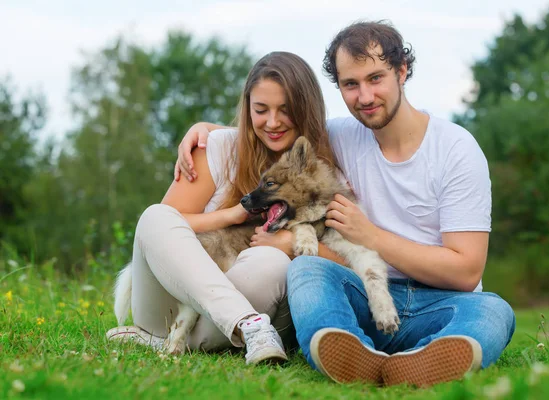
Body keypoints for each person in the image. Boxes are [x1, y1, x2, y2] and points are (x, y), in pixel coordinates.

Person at [175, 21, 515, 387]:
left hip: (442, 303)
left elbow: (466, 272)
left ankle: (421, 359)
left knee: (494, 310)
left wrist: (371, 236)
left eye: (375, 78)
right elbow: (273, 130)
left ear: (402, 71)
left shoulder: (455, 150)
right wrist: (205, 129)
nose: (364, 97)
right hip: (358, 289)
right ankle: (351, 349)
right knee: (306, 271)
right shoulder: (341, 135)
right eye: (351, 84)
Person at [105, 51, 343, 365]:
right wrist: (232, 215)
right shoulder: (218, 148)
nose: (272, 122)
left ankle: (161, 341)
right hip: (170, 306)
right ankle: (245, 325)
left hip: (246, 309)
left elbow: (346, 260)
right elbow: (160, 238)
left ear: (306, 110)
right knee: (155, 217)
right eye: (261, 110)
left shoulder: (325, 172)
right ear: (248, 109)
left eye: (285, 110)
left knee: (273, 262)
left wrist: (289, 245)